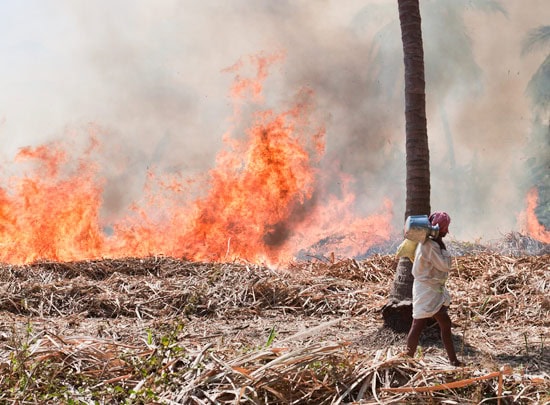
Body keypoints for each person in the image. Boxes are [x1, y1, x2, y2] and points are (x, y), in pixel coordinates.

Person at [406, 211, 464, 367]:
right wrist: (443, 248)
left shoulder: (428, 243)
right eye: (445, 229)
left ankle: (453, 360)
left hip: (430, 289)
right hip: (426, 290)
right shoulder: (431, 246)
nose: (446, 232)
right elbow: (445, 265)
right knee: (418, 325)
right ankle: (407, 360)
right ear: (441, 229)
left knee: (444, 323)